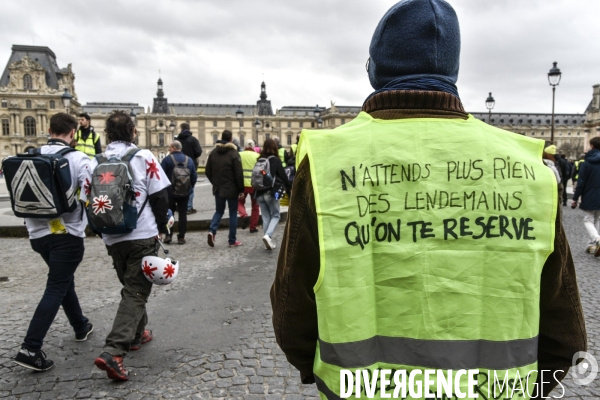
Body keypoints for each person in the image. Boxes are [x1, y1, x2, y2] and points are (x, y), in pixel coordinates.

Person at [270, 1, 586, 399]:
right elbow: (566, 333)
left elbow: (290, 311)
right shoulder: (528, 168)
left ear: (374, 69)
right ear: (452, 71)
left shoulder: (328, 161)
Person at [86, 111, 169, 381]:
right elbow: (160, 196)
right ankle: (114, 352)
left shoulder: (94, 161)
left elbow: (86, 199)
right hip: (141, 234)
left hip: (112, 236)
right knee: (135, 291)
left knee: (131, 285)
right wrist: (159, 227)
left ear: (107, 134)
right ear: (133, 131)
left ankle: (136, 334)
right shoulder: (143, 156)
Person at [12, 113, 93, 371]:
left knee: (62, 279)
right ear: (73, 133)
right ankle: (30, 348)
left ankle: (80, 326)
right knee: (57, 285)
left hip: (37, 235)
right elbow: (90, 194)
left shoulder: (29, 155)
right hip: (66, 235)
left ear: (48, 130)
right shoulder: (79, 158)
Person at [206, 129, 244, 247]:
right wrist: (241, 189)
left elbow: (207, 171)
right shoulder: (233, 153)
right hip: (231, 188)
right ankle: (232, 240)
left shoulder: (213, 153)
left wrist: (215, 182)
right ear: (231, 139)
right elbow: (238, 174)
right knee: (233, 213)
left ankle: (212, 231)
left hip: (218, 188)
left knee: (219, 211)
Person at [255, 138, 291, 251]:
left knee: (266, 217)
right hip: (271, 192)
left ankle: (267, 241)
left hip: (259, 193)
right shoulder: (275, 160)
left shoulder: (259, 159)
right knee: (276, 215)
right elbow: (284, 177)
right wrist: (291, 186)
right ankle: (268, 236)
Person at [160, 140, 198, 245]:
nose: (168, 149)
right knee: (182, 215)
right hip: (185, 193)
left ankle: (168, 235)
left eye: (169, 147)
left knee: (169, 214)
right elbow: (194, 176)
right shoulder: (189, 160)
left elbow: (160, 175)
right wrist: (189, 188)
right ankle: (181, 237)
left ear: (173, 148)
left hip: (170, 192)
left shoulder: (167, 160)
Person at [572, 137, 600, 256]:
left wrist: (575, 198)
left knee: (588, 219)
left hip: (590, 194)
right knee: (597, 219)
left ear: (592, 146)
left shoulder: (587, 162)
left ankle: (597, 240)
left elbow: (581, 182)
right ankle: (592, 245)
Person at [176, 123, 202, 215]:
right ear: (189, 129)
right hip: (190, 166)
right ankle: (189, 207)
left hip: (177, 167)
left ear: (181, 129)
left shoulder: (177, 139)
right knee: (190, 186)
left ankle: (180, 206)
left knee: (178, 186)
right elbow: (198, 152)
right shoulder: (193, 139)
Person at [238, 139, 260, 233]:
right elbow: (261, 170)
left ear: (245, 146)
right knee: (255, 206)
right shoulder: (257, 156)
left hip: (242, 185)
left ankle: (244, 215)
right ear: (254, 146)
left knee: (238, 202)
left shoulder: (239, 155)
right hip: (254, 184)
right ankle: (253, 227)